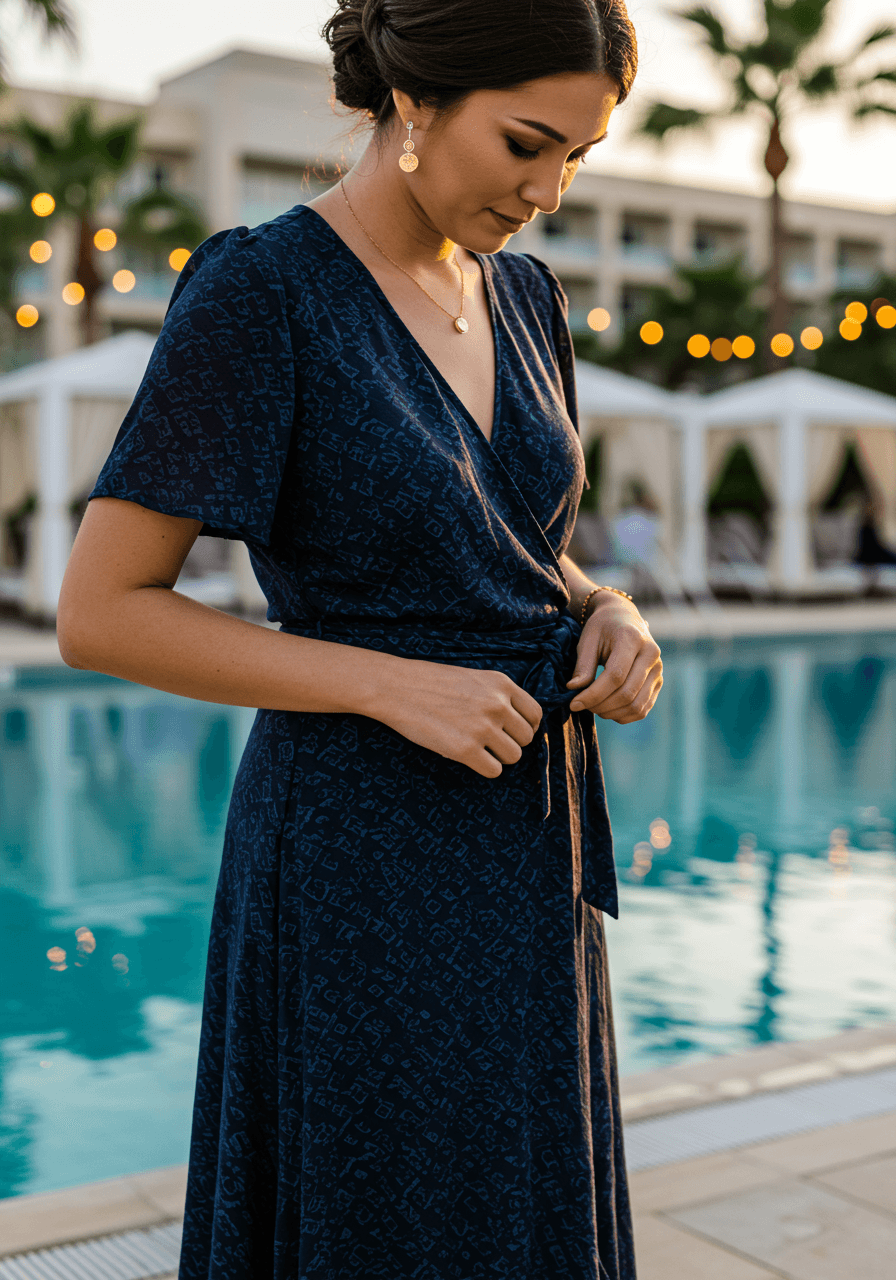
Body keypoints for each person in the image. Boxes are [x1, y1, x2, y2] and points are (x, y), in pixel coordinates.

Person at [57, 1, 662, 1275]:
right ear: (418, 101)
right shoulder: (261, 288)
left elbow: (502, 539)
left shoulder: (526, 296)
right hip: (356, 856)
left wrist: (603, 606)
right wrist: (391, 685)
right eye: (524, 143)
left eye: (578, 158)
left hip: (527, 845)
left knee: (517, 1207)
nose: (548, 189)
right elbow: (101, 611)